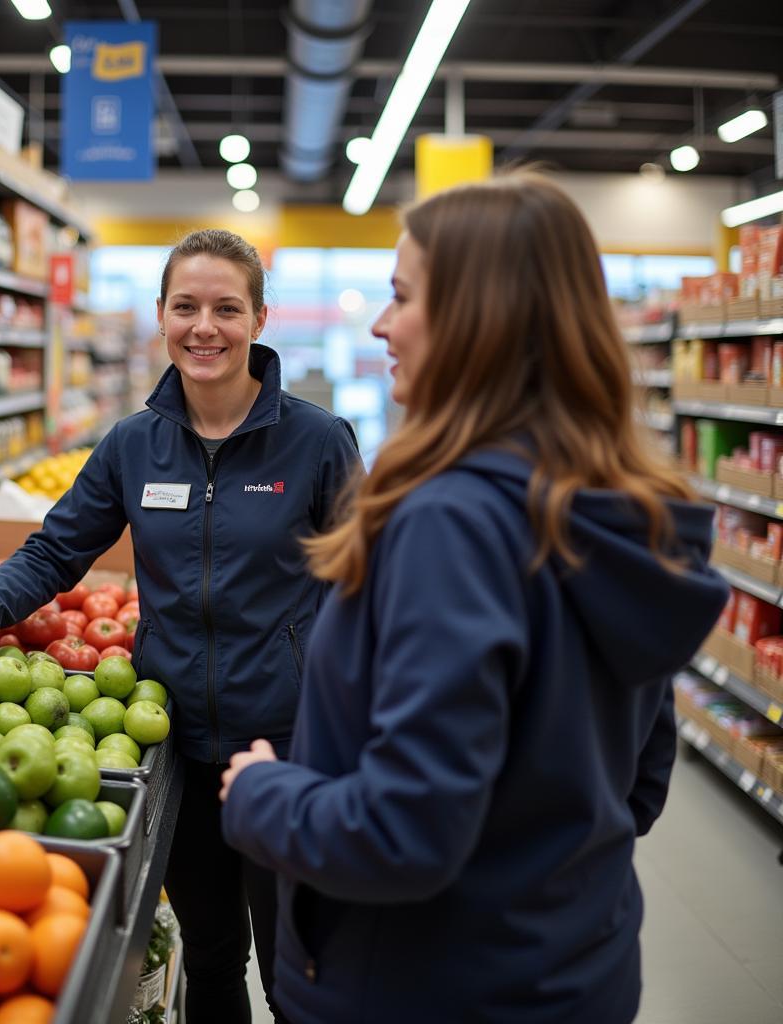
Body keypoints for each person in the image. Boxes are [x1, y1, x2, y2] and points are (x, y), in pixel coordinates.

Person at [218, 173, 729, 1022]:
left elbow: (404, 831)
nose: (381, 324)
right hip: (573, 964)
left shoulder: (450, 522)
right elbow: (640, 783)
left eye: (403, 296)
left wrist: (267, 797)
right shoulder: (617, 508)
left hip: (427, 985)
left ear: (479, 321)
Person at [0, 229, 361, 1022]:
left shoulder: (318, 442)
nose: (204, 327)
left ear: (259, 317)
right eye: (186, 307)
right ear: (160, 316)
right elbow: (55, 550)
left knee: (300, 974)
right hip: (174, 749)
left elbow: (367, 588)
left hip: (290, 750)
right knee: (214, 961)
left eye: (226, 307)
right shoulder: (133, 445)